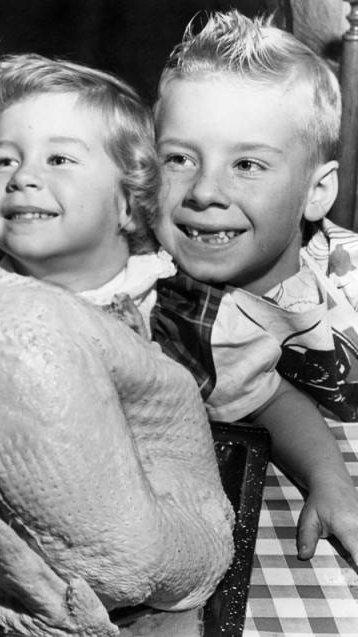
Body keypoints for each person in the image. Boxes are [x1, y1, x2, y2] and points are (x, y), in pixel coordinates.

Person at [150, 10, 358, 564]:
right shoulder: (155, 297)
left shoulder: (352, 275)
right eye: (178, 158)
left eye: (247, 164)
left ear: (317, 193)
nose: (204, 190)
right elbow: (266, 397)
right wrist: (327, 475)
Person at [0, 53, 175, 337]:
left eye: (58, 160)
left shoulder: (175, 299)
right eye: (5, 161)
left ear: (129, 204)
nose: (22, 177)